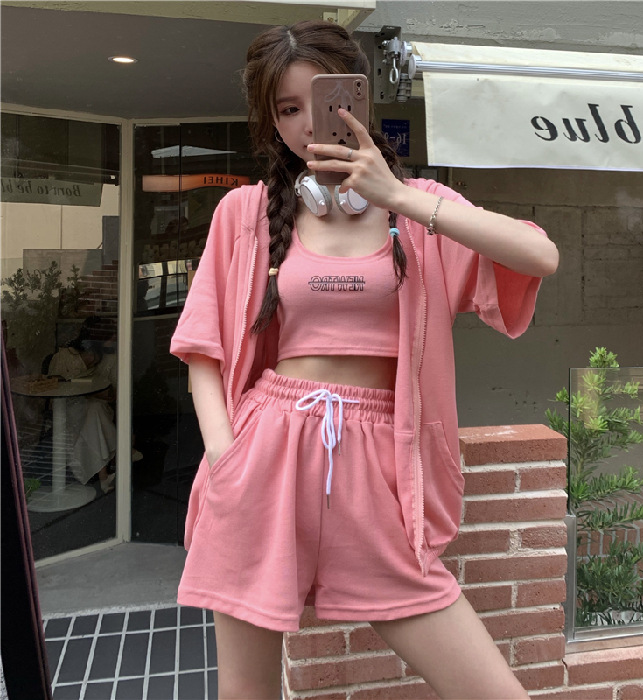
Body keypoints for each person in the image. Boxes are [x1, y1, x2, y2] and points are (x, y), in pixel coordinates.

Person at [170, 19, 559, 700]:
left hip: (381, 465)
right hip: (262, 455)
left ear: (359, 96)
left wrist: (399, 197)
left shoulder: (420, 210)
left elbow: (539, 256)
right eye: (286, 109)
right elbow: (203, 349)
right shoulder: (246, 213)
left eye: (320, 101)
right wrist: (226, 460)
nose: (305, 124)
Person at [48, 317, 118, 493]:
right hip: (65, 407)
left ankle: (102, 475)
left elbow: (113, 395)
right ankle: (108, 469)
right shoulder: (64, 356)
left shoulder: (106, 358)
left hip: (91, 406)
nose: (115, 338)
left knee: (94, 410)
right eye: (111, 335)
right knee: (92, 412)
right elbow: (53, 385)